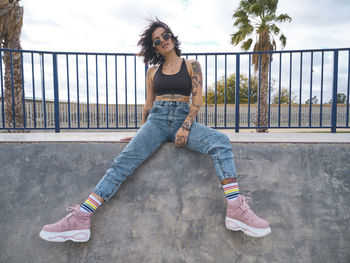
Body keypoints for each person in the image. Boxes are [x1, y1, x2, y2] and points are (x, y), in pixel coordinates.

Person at [39, 19, 271, 242]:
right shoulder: (152, 71)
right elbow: (148, 106)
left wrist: (186, 126)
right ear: (155, 48)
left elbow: (197, 101)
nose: (163, 41)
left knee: (220, 142)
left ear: (172, 36)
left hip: (183, 118)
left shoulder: (192, 66)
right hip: (156, 122)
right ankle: (81, 216)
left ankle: (235, 208)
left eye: (165, 36)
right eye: (157, 41)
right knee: (121, 164)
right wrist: (141, 133)